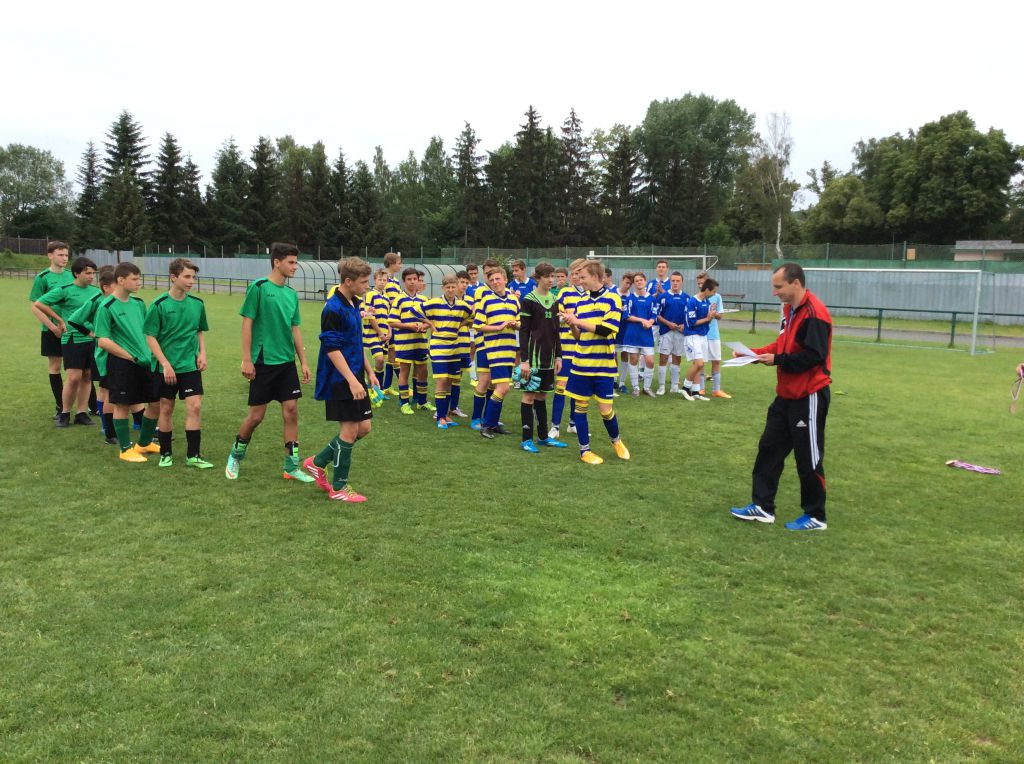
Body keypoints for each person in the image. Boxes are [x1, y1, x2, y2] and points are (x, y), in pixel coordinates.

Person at [731, 263, 833, 531]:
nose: (774, 292)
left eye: (778, 287)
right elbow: (782, 344)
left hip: (808, 396)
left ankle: (816, 516)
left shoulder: (815, 314)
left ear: (795, 283)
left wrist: (777, 360)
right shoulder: (789, 310)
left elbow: (813, 357)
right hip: (785, 396)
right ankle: (763, 507)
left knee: (808, 458)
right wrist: (752, 354)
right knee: (769, 448)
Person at [225, 242, 314, 483]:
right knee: (256, 417)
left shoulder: (291, 294)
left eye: (296, 262)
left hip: (286, 362)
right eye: (291, 262)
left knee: (291, 411)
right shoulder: (259, 287)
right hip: (263, 361)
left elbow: (295, 329)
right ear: (277, 262)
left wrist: (303, 361)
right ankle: (235, 455)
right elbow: (247, 324)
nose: (295, 267)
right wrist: (246, 359)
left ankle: (291, 467)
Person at [303, 257, 379, 502]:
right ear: (348, 281)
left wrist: (369, 371)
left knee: (364, 428)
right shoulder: (333, 308)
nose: (368, 286)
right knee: (349, 429)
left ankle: (317, 462)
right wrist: (351, 380)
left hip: (355, 374)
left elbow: (356, 342)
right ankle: (339, 488)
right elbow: (332, 349)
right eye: (364, 282)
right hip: (339, 378)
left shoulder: (354, 303)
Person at [143, 258, 212, 469]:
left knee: (195, 406)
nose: (191, 281)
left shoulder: (198, 304)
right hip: (166, 368)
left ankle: (193, 455)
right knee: (166, 408)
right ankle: (166, 454)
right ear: (173, 277)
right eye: (187, 276)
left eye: (193, 277)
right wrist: (165, 364)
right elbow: (150, 336)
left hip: (189, 365)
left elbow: (199, 330)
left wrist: (202, 353)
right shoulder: (159, 305)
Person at [562, 260, 629, 465]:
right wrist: (571, 323)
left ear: (595, 276)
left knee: (605, 410)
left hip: (603, 366)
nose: (579, 280)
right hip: (581, 364)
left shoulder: (613, 298)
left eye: (583, 277)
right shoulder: (581, 301)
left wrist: (578, 321)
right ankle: (585, 451)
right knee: (580, 407)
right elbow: (578, 336)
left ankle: (616, 441)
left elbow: (607, 329)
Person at [93, 262, 161, 463]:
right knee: (122, 405)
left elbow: (148, 331)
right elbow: (102, 340)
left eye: (139, 278)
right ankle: (125, 449)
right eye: (135, 279)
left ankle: (144, 443)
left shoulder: (139, 303)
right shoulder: (106, 306)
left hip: (146, 362)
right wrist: (130, 356)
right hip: (123, 364)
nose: (139, 282)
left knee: (155, 403)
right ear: (121, 280)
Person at [32, 256, 100, 427]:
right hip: (72, 339)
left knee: (87, 376)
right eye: (87, 273)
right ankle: (65, 412)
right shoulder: (65, 290)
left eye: (93, 273)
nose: (91, 276)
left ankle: (82, 413)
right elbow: (39, 303)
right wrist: (59, 320)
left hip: (91, 339)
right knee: (74, 377)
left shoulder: (96, 292)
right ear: (76, 273)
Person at [517, 263, 567, 452]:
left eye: (552, 276)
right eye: (547, 276)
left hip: (549, 357)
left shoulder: (554, 300)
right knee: (529, 395)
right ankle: (526, 440)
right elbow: (523, 331)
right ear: (538, 278)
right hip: (533, 358)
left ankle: (543, 437)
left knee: (542, 395)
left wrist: (559, 356)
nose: (551, 280)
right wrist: (524, 360)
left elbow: (556, 331)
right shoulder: (528, 300)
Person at [68, 265, 120, 444]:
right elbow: (74, 320)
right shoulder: (97, 300)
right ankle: (107, 426)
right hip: (103, 350)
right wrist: (92, 334)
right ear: (107, 286)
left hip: (117, 348)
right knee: (105, 388)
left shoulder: (119, 301)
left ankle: (127, 422)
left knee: (113, 387)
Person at [472, 265, 520, 438]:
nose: (495, 282)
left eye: (498, 279)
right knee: (502, 387)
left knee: (499, 387)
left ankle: (493, 423)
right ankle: (485, 424)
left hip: (509, 349)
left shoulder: (514, 300)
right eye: (491, 280)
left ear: (505, 280)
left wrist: (516, 324)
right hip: (494, 349)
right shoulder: (486, 300)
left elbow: (521, 322)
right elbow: (478, 325)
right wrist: (498, 327)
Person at [419, 274, 473, 429]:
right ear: (443, 288)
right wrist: (430, 323)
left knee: (450, 381)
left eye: (453, 287)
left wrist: (459, 324)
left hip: (454, 348)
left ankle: (445, 414)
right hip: (438, 347)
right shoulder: (435, 302)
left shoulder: (462, 305)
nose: (450, 289)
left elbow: (472, 316)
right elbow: (415, 311)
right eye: (447, 287)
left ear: (457, 287)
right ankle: (440, 417)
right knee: (442, 380)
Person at [29, 241, 74, 418]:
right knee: (55, 366)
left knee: (79, 368)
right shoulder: (42, 278)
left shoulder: (72, 276)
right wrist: (53, 327)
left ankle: (90, 407)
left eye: (66, 255)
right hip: (52, 330)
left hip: (72, 329)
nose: (64, 258)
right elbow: (36, 307)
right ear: (50, 255)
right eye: (60, 254)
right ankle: (60, 406)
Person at [388, 267, 431, 414]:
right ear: (404, 281)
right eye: (409, 279)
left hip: (420, 343)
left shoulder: (424, 300)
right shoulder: (399, 299)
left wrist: (424, 326)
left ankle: (422, 402)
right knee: (404, 372)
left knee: (423, 371)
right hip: (404, 343)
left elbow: (430, 321)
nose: (412, 282)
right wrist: (409, 326)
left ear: (419, 281)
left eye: (415, 279)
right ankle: (404, 403)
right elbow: (392, 322)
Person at [681, 277, 718, 401]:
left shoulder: (706, 302)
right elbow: (691, 323)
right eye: (713, 291)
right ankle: (685, 388)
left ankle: (696, 391)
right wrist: (708, 318)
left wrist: (711, 315)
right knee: (699, 363)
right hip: (692, 336)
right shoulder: (692, 301)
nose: (714, 294)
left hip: (703, 336)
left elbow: (707, 320)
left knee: (699, 365)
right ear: (707, 290)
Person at [622, 271, 659, 396]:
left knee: (650, 361)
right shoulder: (630, 298)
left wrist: (650, 322)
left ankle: (647, 388)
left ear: (645, 281)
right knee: (633, 359)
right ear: (634, 284)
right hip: (632, 334)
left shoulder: (652, 299)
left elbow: (654, 315)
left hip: (646, 335)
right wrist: (642, 320)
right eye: (636, 281)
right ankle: (636, 388)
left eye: (641, 280)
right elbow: (626, 316)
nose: (639, 282)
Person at [697, 271, 731, 399]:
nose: (700, 285)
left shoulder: (717, 297)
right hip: (701, 334)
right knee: (701, 362)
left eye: (702, 283)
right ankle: (701, 389)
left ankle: (716, 390)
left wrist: (713, 313)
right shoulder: (697, 298)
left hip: (713, 334)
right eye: (698, 283)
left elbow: (720, 316)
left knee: (716, 361)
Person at [655, 272, 689, 395]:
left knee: (677, 358)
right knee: (663, 358)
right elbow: (657, 315)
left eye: (677, 281)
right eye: (673, 281)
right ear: (670, 282)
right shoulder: (663, 297)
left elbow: (689, 316)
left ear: (682, 282)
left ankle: (674, 386)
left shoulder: (687, 298)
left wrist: (684, 325)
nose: (675, 283)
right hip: (666, 332)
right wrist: (668, 323)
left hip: (680, 333)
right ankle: (661, 386)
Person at [613, 272, 633, 394]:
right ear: (622, 280)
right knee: (613, 354)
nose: (628, 285)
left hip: (626, 329)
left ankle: (622, 383)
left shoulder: (631, 296)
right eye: (626, 282)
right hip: (615, 328)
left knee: (625, 354)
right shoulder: (613, 293)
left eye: (630, 284)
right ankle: (613, 380)